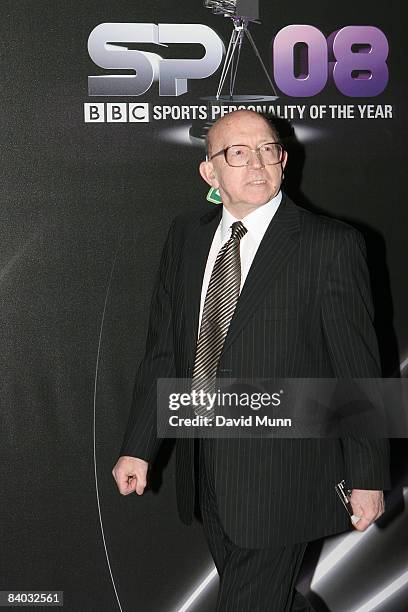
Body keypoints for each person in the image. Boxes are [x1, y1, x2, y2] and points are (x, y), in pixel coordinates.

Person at [112, 110, 390, 611]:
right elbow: (165, 349)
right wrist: (139, 446)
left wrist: (368, 473)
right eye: (237, 153)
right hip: (206, 471)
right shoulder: (187, 236)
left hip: (285, 475)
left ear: (284, 160)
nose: (256, 164)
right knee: (273, 600)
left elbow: (358, 370)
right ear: (210, 172)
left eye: (267, 150)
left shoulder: (329, 244)